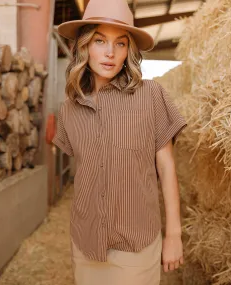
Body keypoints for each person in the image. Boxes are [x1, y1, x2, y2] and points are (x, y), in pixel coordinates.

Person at [52, 0, 187, 284]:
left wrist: (173, 234)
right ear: (84, 45)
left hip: (136, 248)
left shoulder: (151, 96)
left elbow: (167, 168)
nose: (110, 53)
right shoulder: (69, 109)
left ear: (129, 50)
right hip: (86, 244)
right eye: (100, 41)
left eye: (121, 43)